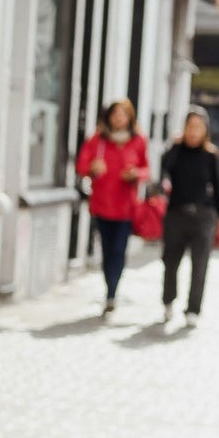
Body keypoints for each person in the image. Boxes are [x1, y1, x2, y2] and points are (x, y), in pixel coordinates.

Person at [76, 98, 149, 317]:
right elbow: (81, 166)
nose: (119, 118)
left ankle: (112, 293)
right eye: (115, 114)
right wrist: (92, 168)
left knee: (119, 250)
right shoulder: (97, 140)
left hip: (126, 207)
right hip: (102, 205)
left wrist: (136, 174)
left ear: (129, 118)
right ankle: (109, 287)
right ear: (109, 117)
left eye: (123, 114)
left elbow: (146, 169)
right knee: (107, 251)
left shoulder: (138, 141)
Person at [160, 107, 219, 326]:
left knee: (200, 264)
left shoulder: (211, 155)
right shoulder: (176, 151)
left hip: (203, 216)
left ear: (205, 129)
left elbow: (217, 188)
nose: (193, 131)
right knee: (170, 261)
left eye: (198, 127)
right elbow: (164, 168)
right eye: (190, 126)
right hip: (176, 214)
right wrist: (175, 145)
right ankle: (168, 301)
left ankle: (193, 309)